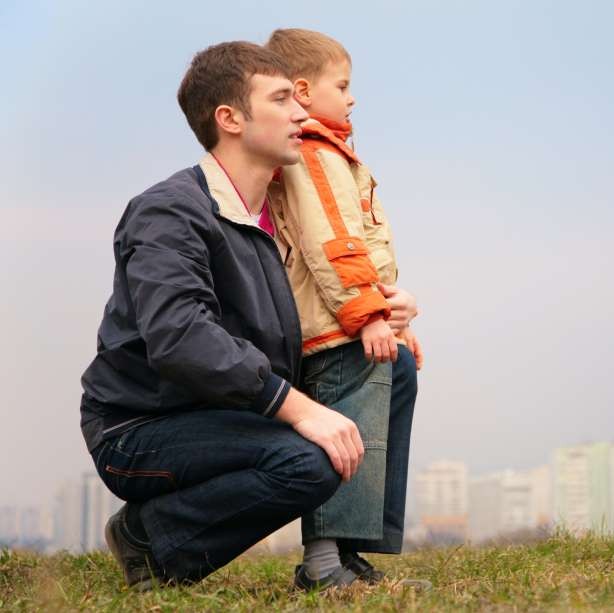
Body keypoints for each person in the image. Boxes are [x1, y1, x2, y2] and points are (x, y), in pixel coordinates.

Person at [78, 40, 419, 589]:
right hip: (141, 429)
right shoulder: (170, 211)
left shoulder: (275, 219)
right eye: (283, 99)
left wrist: (383, 305)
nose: (303, 113)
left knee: (390, 367)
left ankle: (343, 560)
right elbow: (180, 335)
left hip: (228, 413)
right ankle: (150, 538)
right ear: (230, 118)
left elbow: (316, 313)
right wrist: (299, 409)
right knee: (310, 461)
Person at [263, 28, 423, 589]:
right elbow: (332, 241)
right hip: (331, 328)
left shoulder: (332, 151)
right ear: (303, 91)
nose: (353, 98)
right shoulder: (314, 150)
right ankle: (324, 564)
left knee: (393, 384)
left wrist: (391, 319)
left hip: (350, 319)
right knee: (349, 430)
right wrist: (368, 314)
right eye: (344, 85)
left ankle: (352, 556)